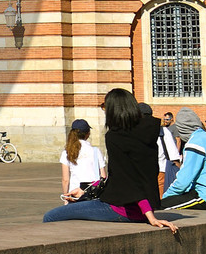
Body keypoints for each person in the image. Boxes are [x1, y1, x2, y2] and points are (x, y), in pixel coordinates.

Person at [42, 89, 178, 232]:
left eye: (106, 108)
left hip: (123, 208)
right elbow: (135, 175)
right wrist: (85, 191)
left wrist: (150, 217)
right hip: (142, 207)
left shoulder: (115, 136)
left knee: (51, 216)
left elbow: (129, 178)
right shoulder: (147, 132)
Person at [162, 108, 206, 210]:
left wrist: (166, 196)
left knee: (162, 207)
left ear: (182, 128)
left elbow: (183, 180)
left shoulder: (195, 142)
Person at [58, 119, 105, 200]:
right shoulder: (96, 151)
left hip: (74, 193)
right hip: (92, 193)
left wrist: (66, 196)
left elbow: (65, 179)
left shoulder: (67, 152)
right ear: (88, 133)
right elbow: (103, 176)